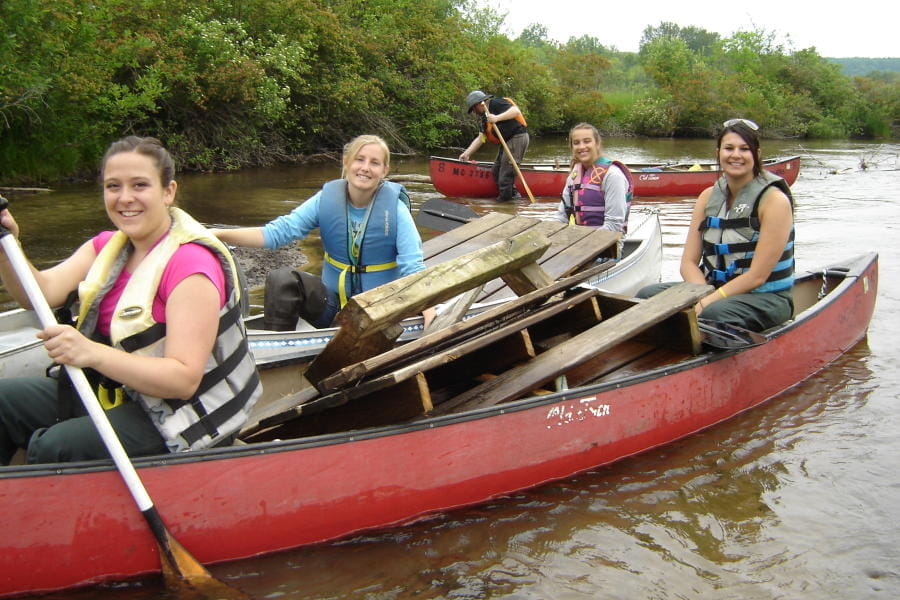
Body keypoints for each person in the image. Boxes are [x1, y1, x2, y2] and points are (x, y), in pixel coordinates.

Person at [0, 136, 262, 465]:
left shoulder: (191, 266)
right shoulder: (106, 247)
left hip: (177, 413)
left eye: (140, 185)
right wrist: (7, 246)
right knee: (3, 401)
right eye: (113, 186)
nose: (125, 198)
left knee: (55, 446)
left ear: (168, 191)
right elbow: (34, 294)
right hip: (120, 391)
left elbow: (183, 380)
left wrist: (90, 352)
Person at [214, 134, 434, 331]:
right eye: (360, 159)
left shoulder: (396, 209)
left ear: (384, 171)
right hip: (333, 306)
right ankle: (282, 350)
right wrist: (219, 235)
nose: (365, 167)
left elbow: (412, 265)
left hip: (379, 308)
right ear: (346, 163)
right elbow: (277, 233)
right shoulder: (326, 200)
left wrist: (426, 304)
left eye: (375, 163)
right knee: (282, 279)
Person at [636, 119, 795, 332]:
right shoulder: (707, 197)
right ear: (718, 153)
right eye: (729, 148)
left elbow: (758, 276)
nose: (736, 155)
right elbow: (688, 263)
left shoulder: (774, 201)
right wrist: (701, 295)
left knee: (715, 313)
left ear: (756, 154)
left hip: (766, 298)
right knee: (646, 296)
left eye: (744, 149)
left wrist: (708, 301)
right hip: (714, 290)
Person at [554, 122, 634, 233]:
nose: (582, 147)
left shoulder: (613, 175)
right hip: (581, 241)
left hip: (609, 244)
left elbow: (614, 225)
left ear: (597, 143)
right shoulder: (573, 177)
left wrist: (584, 242)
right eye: (576, 143)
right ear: (572, 147)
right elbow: (561, 217)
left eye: (587, 141)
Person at [459, 90, 530, 202]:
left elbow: (515, 111)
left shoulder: (496, 103)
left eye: (473, 109)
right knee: (496, 171)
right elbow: (481, 138)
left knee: (505, 175)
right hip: (507, 141)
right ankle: (513, 196)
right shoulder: (484, 118)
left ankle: (505, 205)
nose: (474, 112)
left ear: (478, 104)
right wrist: (467, 153)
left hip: (518, 137)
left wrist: (497, 118)